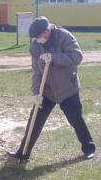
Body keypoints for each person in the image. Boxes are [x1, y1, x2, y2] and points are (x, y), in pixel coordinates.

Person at [6, 16, 95, 164]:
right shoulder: (35, 46)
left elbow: (77, 57)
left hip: (67, 88)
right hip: (46, 90)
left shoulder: (64, 36)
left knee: (75, 119)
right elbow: (36, 70)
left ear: (47, 31)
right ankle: (23, 153)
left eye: (39, 36)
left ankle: (89, 148)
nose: (37, 40)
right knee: (35, 120)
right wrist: (36, 93)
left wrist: (54, 57)